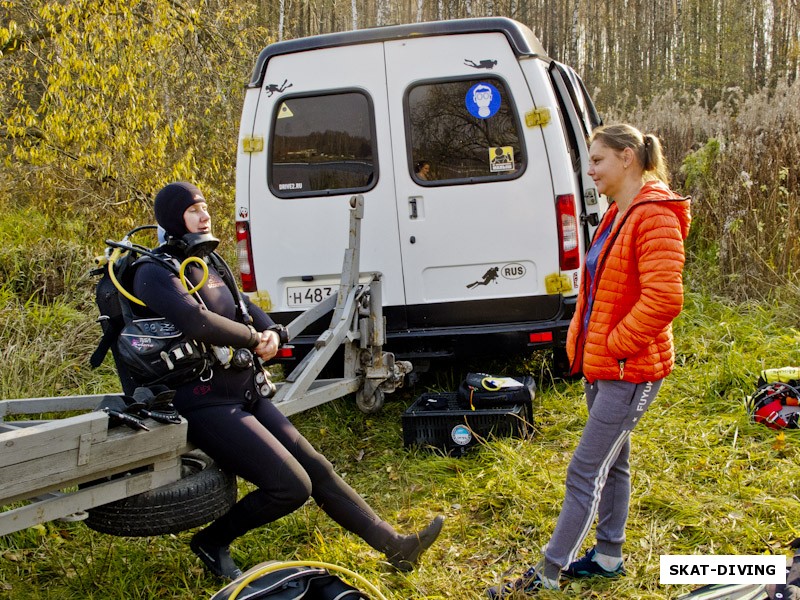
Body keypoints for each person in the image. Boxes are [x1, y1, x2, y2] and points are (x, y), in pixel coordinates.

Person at [132, 182, 444, 580]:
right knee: (291, 487)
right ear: (174, 217)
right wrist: (252, 339)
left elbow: (248, 311)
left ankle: (395, 546)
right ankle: (211, 541)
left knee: (317, 467)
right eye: (194, 210)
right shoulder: (152, 272)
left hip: (242, 390)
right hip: (202, 398)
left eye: (205, 206)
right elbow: (198, 322)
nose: (205, 215)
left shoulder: (208, 265)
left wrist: (274, 335)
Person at [487, 124, 691, 597]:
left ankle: (547, 572)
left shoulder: (655, 215)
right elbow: (599, 288)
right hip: (604, 364)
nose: (590, 170)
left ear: (627, 158)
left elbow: (664, 299)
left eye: (597, 160)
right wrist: (583, 342)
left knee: (584, 469)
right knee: (612, 463)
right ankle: (607, 556)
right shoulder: (617, 214)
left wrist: (616, 344)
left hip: (629, 368)